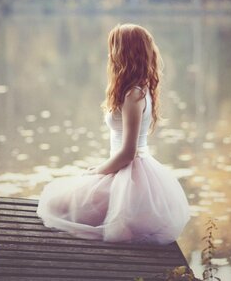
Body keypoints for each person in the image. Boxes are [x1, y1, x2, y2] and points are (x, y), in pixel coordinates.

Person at [37, 23, 190, 244]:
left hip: (129, 172)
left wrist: (99, 171)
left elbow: (129, 152)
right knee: (62, 201)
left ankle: (127, 222)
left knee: (53, 205)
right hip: (124, 171)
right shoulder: (139, 89)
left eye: (113, 48)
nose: (110, 54)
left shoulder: (133, 96)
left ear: (123, 53)